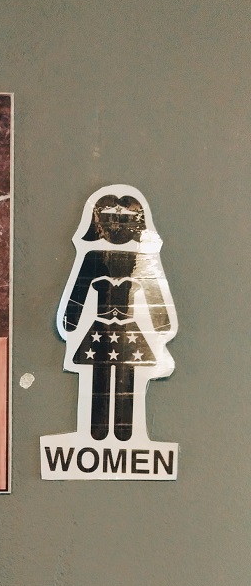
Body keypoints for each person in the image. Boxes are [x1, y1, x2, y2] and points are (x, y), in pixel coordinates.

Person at [57, 187, 177, 442]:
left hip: (128, 329)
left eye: (125, 218)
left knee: (128, 380)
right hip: (100, 328)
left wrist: (161, 323)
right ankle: (97, 429)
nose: (117, 225)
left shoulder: (143, 258)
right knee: (98, 379)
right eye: (110, 218)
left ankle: (124, 431)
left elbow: (154, 291)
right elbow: (79, 288)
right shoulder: (93, 257)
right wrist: (71, 319)